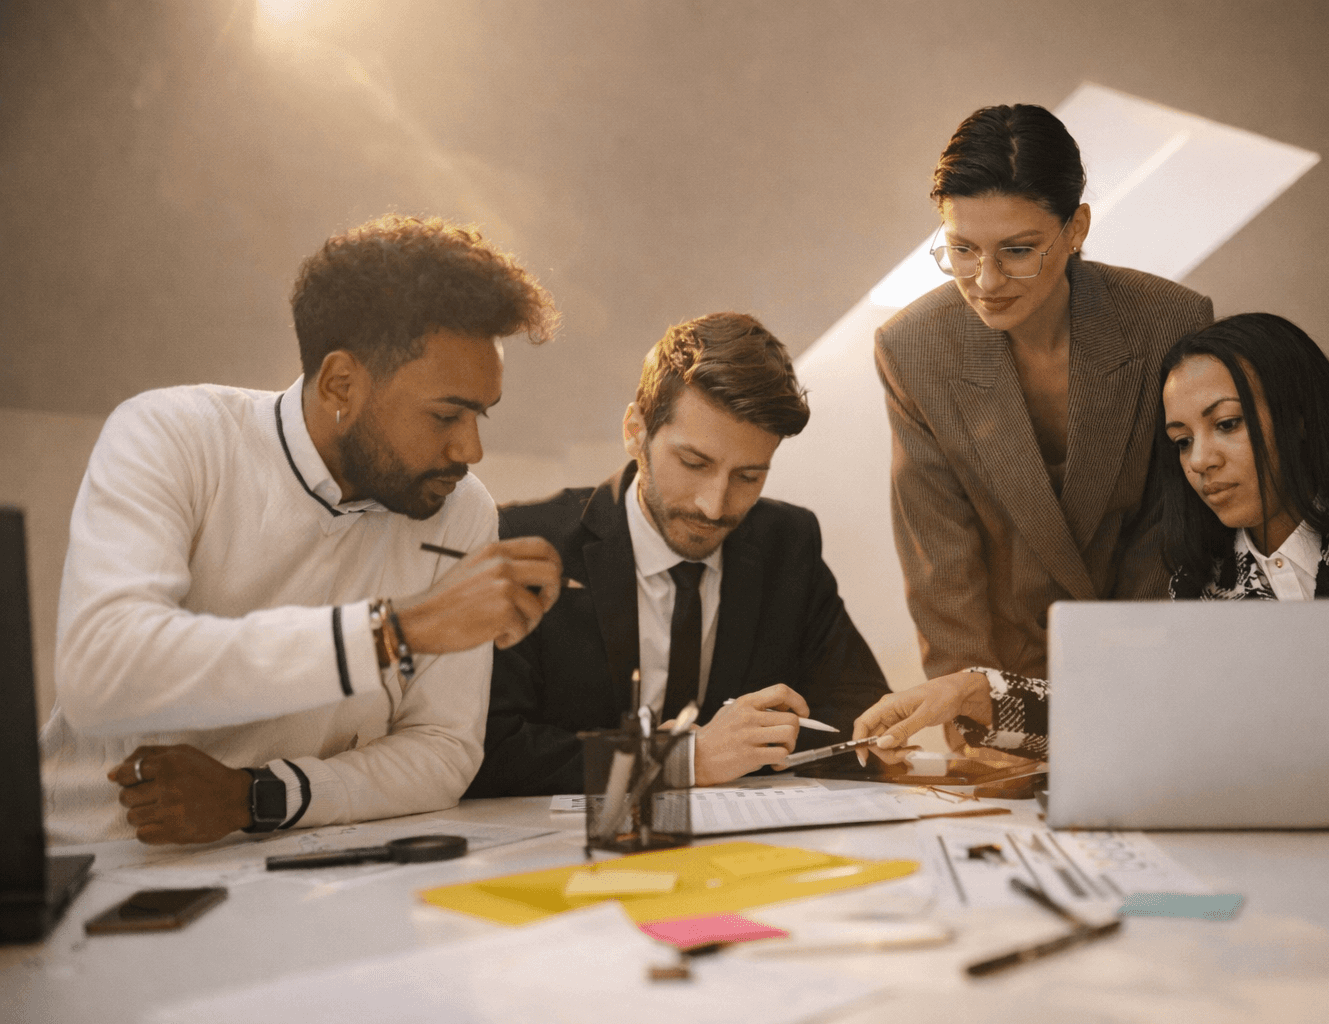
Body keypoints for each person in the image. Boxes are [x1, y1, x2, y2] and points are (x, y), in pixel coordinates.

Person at [856, 313, 1329, 832]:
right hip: (1302, 857)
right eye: (1182, 441)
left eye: (1228, 425)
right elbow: (1142, 717)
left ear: (1301, 421)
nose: (1200, 460)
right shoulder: (1209, 577)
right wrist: (976, 691)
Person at [41, 215, 565, 845]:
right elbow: (103, 673)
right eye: (446, 414)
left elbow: (442, 749)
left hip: (299, 866)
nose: (472, 449)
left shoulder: (463, 509)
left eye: (481, 414)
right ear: (342, 382)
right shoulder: (172, 434)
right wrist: (395, 632)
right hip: (84, 864)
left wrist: (259, 794)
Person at [875, 103, 1214, 717]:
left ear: (1077, 228)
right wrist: (981, 711)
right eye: (962, 250)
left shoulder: (1168, 321)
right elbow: (940, 561)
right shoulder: (911, 347)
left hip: (1147, 665)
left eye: (1018, 250)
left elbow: (1169, 535)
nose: (985, 280)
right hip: (997, 671)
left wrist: (1117, 698)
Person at [464, 312, 890, 796]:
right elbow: (489, 750)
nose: (715, 505)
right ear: (635, 431)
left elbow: (859, 713)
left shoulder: (787, 541)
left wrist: (881, 736)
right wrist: (679, 762)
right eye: (694, 463)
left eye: (749, 476)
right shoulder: (522, 540)